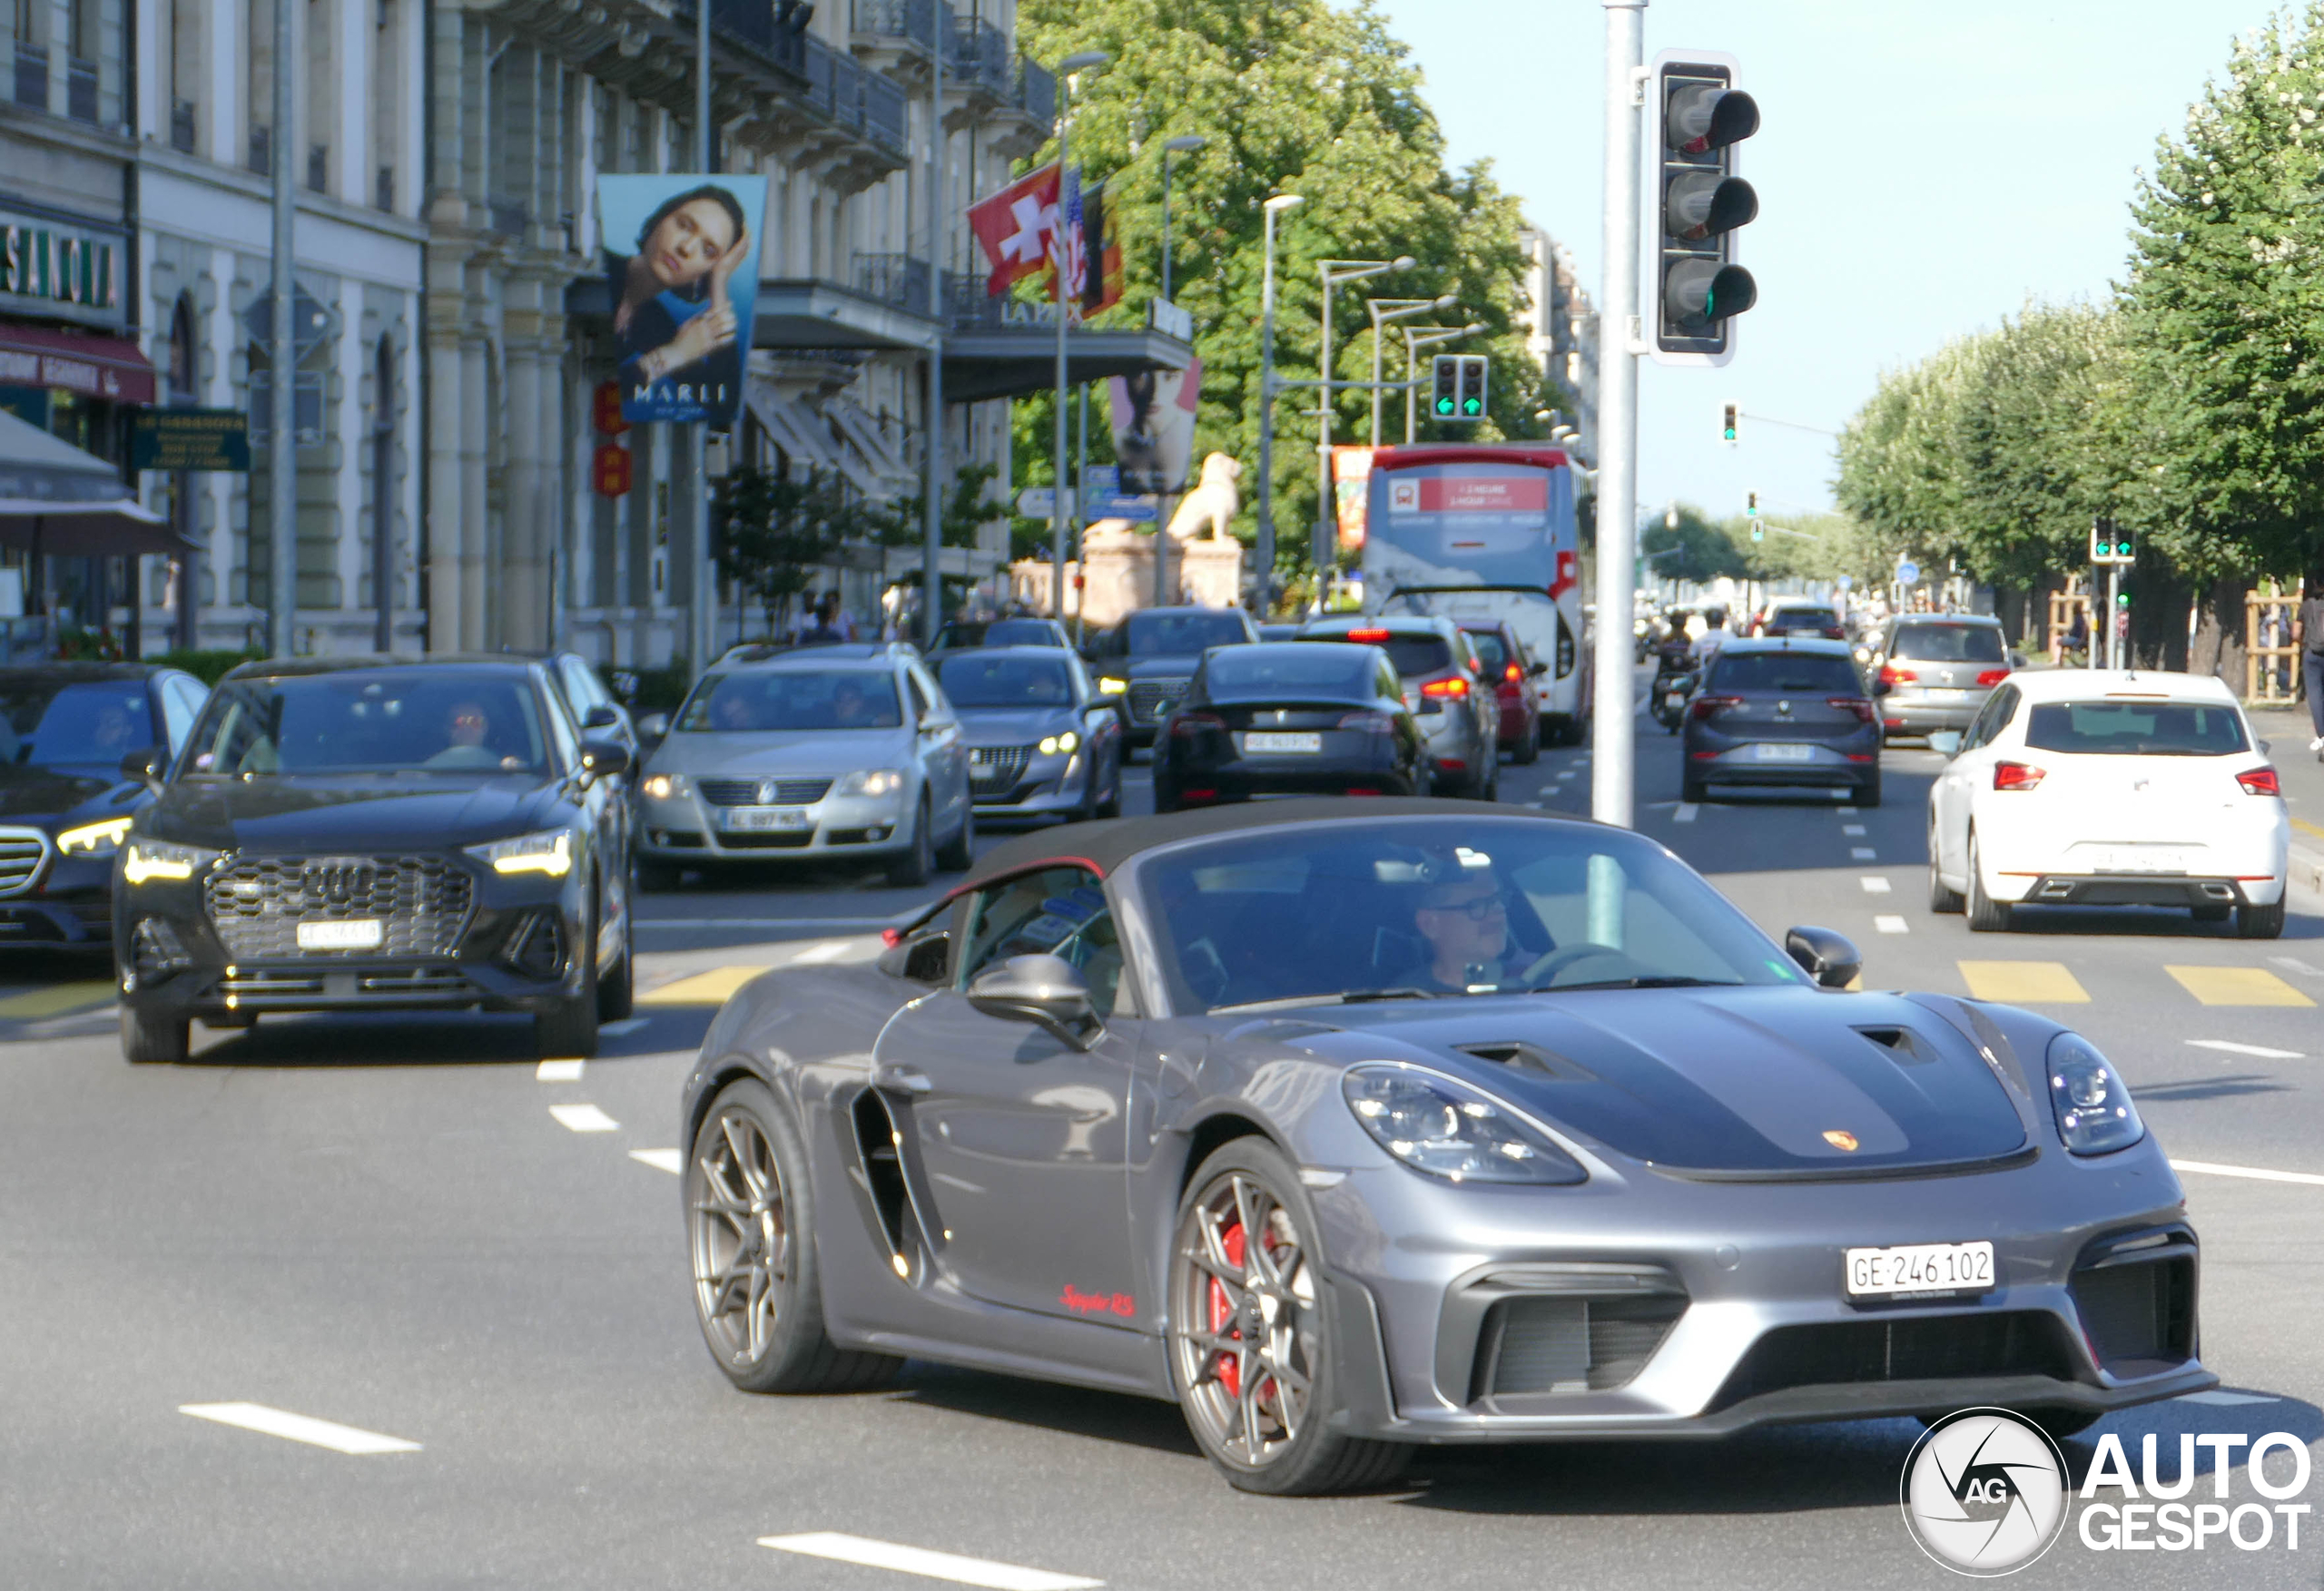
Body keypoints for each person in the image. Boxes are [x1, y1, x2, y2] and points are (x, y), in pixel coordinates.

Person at [608, 185, 752, 409]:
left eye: (708, 251)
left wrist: (719, 280)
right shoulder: (604, 270)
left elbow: (724, 403)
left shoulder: (655, 323)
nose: (686, 248)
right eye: (684, 225)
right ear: (661, 218)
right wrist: (674, 355)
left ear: (703, 274)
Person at [1399, 868, 1525, 992]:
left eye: (1499, 899)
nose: (1500, 911)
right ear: (1429, 924)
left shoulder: (1532, 981)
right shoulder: (1405, 1002)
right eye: (1477, 904)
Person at [2298, 576, 2324, 753]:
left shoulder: (2308, 605)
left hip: (2313, 653)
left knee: (2315, 695)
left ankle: (2321, 734)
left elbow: (2295, 631)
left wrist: (2301, 642)